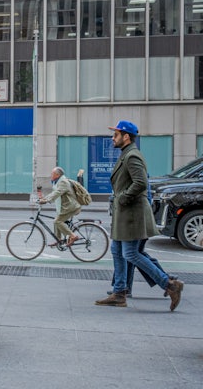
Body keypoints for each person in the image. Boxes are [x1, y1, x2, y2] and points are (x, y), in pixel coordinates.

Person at [95, 120, 184, 310]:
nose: (113, 138)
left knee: (131, 253)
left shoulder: (132, 156)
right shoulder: (126, 155)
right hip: (125, 214)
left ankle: (169, 285)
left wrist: (123, 198)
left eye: (116, 135)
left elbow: (141, 182)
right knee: (117, 251)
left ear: (126, 137)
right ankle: (119, 292)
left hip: (132, 214)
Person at [39, 167, 81, 247]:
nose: (51, 175)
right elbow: (54, 193)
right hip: (65, 206)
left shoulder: (63, 182)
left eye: (52, 173)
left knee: (57, 221)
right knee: (57, 220)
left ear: (57, 175)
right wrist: (44, 198)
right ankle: (59, 239)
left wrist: (46, 201)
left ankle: (73, 236)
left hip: (70, 207)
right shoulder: (58, 181)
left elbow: (57, 193)